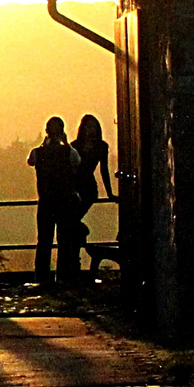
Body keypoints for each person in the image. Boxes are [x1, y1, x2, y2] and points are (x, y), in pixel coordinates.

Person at [28, 116, 80, 283]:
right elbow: (76, 163)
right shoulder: (69, 152)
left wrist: (44, 145)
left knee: (44, 240)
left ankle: (42, 277)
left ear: (46, 131)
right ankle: (63, 276)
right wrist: (66, 144)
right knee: (64, 240)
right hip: (64, 201)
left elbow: (30, 161)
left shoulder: (38, 153)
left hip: (45, 201)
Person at [65, 113, 113, 278]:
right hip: (74, 188)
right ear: (82, 129)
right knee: (71, 223)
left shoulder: (101, 146)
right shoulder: (74, 146)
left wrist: (110, 193)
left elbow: (104, 171)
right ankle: (74, 256)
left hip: (88, 189)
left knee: (71, 223)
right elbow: (68, 171)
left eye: (93, 126)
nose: (90, 129)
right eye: (88, 126)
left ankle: (75, 253)